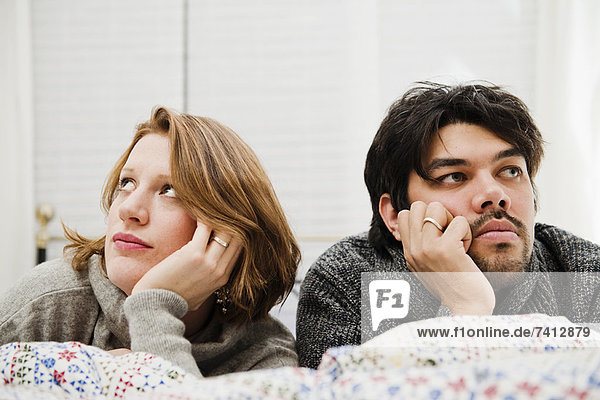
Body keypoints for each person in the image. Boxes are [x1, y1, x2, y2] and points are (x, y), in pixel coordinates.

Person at [296, 82, 600, 369]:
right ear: (393, 217)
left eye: (509, 171)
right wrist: (465, 309)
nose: (495, 194)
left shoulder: (586, 275)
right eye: (454, 176)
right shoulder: (345, 281)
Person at [0, 107, 301, 377]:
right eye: (126, 183)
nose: (129, 209)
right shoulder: (48, 302)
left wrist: (152, 308)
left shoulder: (265, 359)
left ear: (225, 230)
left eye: (170, 190)